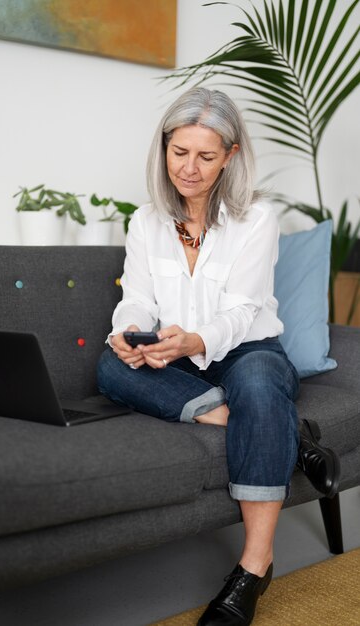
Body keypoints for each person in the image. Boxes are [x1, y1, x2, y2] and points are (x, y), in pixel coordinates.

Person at [97, 88, 340, 626]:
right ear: (164, 148)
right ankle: (292, 440)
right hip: (180, 357)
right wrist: (131, 332)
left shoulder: (256, 220)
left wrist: (194, 341)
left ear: (230, 155)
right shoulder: (145, 223)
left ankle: (254, 567)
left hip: (248, 348)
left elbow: (240, 311)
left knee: (256, 385)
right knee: (110, 365)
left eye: (206, 156)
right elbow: (136, 297)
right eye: (180, 152)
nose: (189, 168)